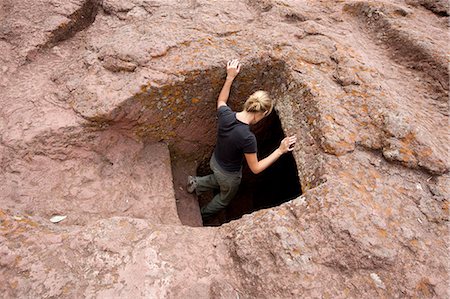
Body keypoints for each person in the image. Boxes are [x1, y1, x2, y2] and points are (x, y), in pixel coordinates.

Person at [187, 59, 297, 220]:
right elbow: (256, 168)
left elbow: (221, 101)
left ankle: (195, 184)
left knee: (216, 178)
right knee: (224, 198)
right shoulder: (247, 138)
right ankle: (202, 215)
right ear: (263, 114)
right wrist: (280, 150)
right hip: (229, 174)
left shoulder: (226, 115)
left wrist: (230, 77)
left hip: (215, 161)